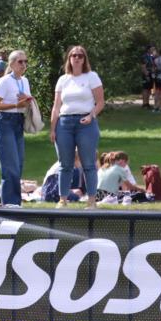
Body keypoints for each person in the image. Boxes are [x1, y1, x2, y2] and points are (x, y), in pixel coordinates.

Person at [50, 45, 105, 209]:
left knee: (88, 163)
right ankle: (63, 199)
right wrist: (53, 128)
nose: (77, 58)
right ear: (69, 58)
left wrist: (91, 115)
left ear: (84, 59)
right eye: (74, 55)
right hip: (64, 123)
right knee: (65, 164)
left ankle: (91, 200)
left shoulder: (91, 77)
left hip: (85, 124)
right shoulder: (63, 79)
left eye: (80, 55)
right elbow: (56, 106)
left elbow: (100, 102)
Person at [0, 50, 32, 206]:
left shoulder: (25, 81)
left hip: (18, 121)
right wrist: (16, 104)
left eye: (25, 61)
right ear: (12, 63)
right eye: (20, 62)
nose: (24, 65)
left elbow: (26, 102)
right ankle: (11, 203)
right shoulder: (4, 81)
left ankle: (5, 201)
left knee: (18, 163)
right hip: (5, 121)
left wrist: (27, 102)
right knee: (10, 164)